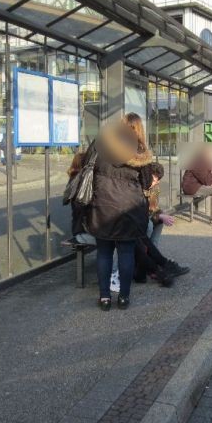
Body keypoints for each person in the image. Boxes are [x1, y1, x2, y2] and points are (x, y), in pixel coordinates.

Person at [85, 113, 152, 311]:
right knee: (126, 252)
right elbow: (147, 181)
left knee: (104, 253)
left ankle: (104, 297)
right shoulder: (138, 146)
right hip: (129, 208)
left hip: (102, 206)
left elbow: (86, 167)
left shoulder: (100, 142)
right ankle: (123, 297)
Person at [182, 145, 212, 226]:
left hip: (200, 184)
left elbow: (210, 178)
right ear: (207, 154)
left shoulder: (207, 161)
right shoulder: (198, 162)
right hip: (191, 187)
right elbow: (207, 180)